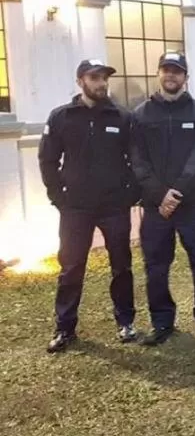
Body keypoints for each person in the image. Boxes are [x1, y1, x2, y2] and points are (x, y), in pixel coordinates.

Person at [38, 59, 140, 352]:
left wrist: (129, 194)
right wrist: (58, 196)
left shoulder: (122, 117)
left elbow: (136, 159)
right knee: (71, 268)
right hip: (76, 208)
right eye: (94, 77)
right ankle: (65, 328)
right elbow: (47, 159)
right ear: (80, 80)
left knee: (121, 266)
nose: (101, 83)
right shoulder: (61, 117)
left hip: (114, 207)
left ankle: (125, 322)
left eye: (104, 78)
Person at [130, 52, 195, 345]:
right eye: (166, 70)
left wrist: (178, 191)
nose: (171, 76)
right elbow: (137, 159)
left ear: (185, 77)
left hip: (191, 202)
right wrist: (160, 194)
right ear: (158, 74)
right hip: (156, 206)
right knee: (156, 266)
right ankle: (161, 321)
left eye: (177, 71)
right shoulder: (141, 114)